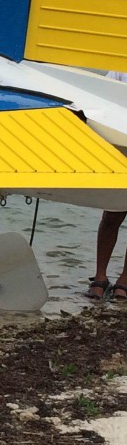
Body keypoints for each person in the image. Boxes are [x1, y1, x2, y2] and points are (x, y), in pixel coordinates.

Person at [89, 69, 127, 301]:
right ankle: (100, 276)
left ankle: (125, 279)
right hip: (119, 146)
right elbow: (99, 99)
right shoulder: (119, 68)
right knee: (111, 216)